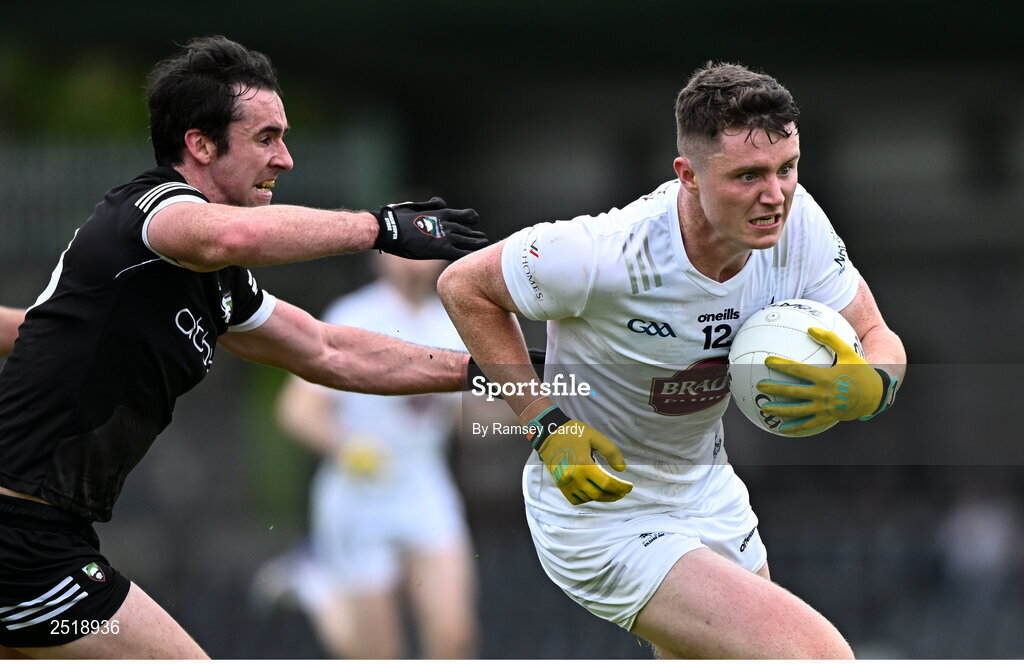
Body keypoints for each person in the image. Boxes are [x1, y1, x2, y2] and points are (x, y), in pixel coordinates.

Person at [0, 35, 488, 659]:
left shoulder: (216, 283)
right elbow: (223, 238)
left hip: (47, 537)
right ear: (200, 145)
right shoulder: (149, 212)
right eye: (265, 138)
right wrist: (380, 227)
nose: (285, 158)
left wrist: (497, 371)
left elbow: (327, 350)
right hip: (23, 546)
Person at [438, 61, 906, 659]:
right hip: (603, 516)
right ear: (687, 174)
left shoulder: (797, 221)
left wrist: (873, 387)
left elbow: (876, 334)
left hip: (707, 493)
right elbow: (463, 287)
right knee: (817, 655)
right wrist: (544, 423)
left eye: (787, 169)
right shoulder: (601, 256)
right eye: (747, 176)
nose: (775, 194)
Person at [257, 252, 476, 659]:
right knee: (375, 653)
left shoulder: (450, 326)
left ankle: (320, 583)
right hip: (360, 490)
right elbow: (297, 411)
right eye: (404, 252)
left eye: (425, 253)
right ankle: (318, 589)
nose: (413, 263)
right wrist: (349, 448)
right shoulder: (353, 315)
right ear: (380, 258)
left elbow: (469, 416)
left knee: (454, 638)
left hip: (423, 480)